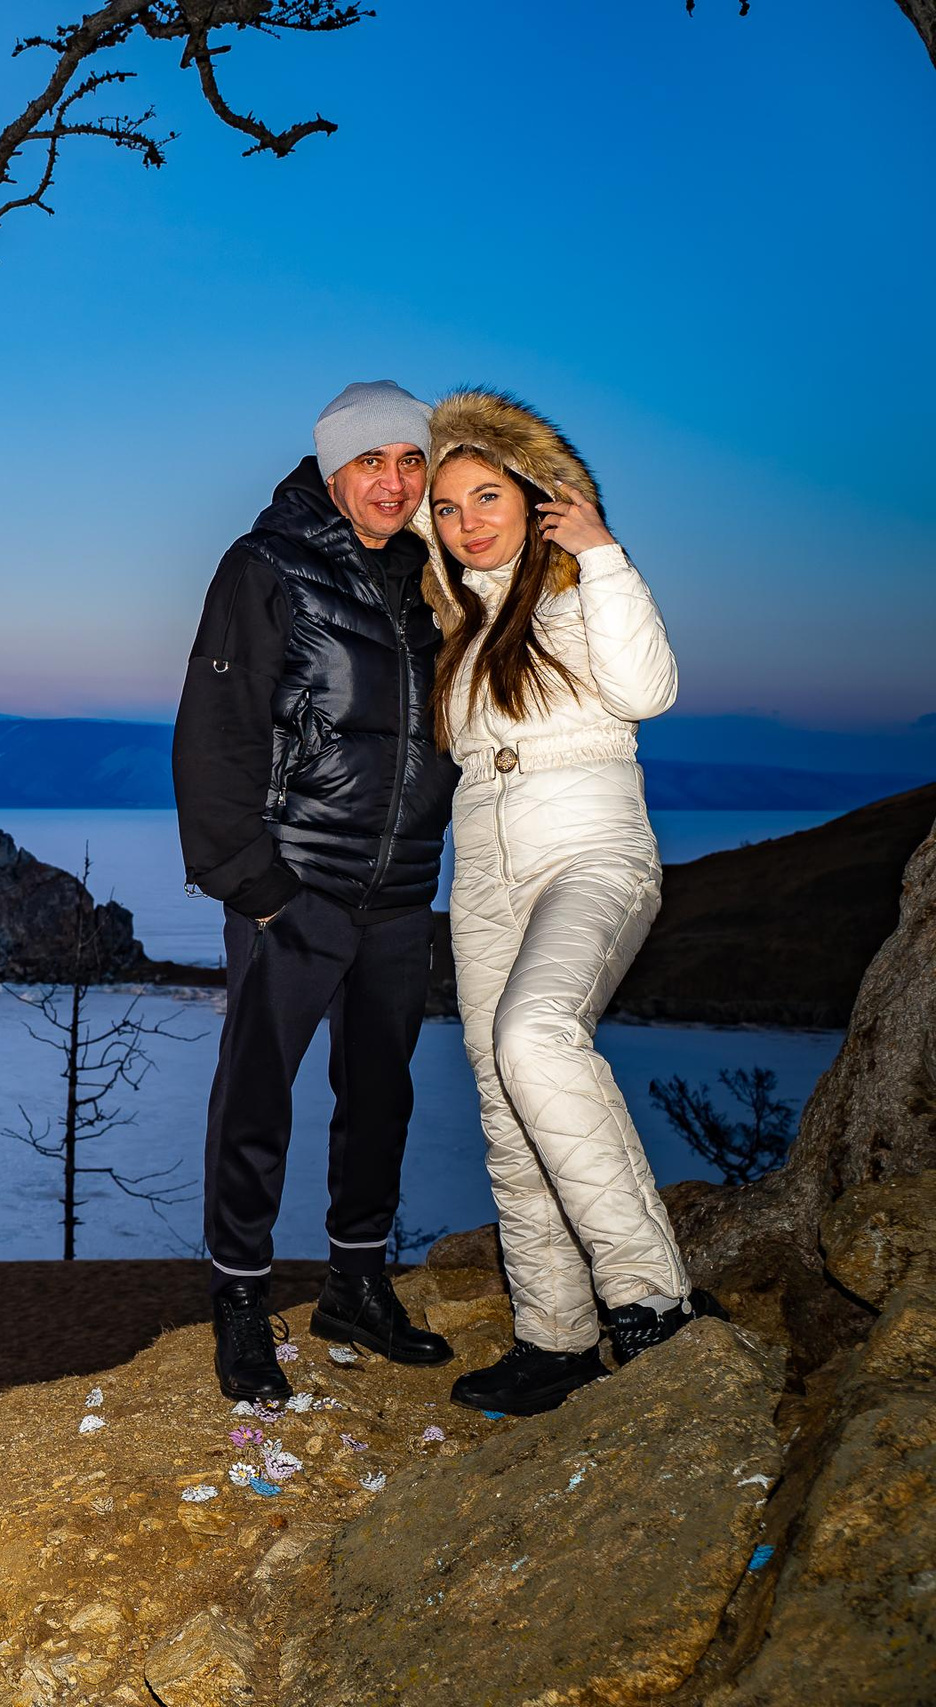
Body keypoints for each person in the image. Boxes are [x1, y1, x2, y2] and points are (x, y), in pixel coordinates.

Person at [174, 381, 460, 1401]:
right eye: (370, 461)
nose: (393, 481)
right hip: (293, 887)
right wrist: (256, 887)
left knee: (379, 1098)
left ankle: (356, 1284)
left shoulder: (433, 579)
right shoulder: (266, 566)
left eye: (410, 460)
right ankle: (240, 1302)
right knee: (256, 1099)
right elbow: (214, 733)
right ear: (332, 470)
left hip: (402, 890)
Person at [414, 390, 697, 1415]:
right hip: (484, 875)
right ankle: (555, 1336)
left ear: (535, 495)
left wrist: (603, 550)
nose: (466, 521)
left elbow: (648, 691)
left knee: (536, 1037)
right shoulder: (461, 621)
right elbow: (384, 500)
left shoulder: (582, 592)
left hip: (591, 854)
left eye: (486, 496)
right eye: (448, 507)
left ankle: (653, 1300)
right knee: (504, 1097)